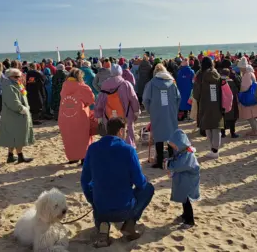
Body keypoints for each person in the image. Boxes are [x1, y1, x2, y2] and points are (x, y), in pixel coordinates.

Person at [81, 118, 155, 247]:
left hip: (101, 208)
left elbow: (84, 180)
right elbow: (140, 182)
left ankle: (103, 227)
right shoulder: (128, 150)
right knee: (148, 188)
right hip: (123, 208)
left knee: (100, 200)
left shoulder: (92, 149)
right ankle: (130, 223)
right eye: (125, 131)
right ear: (121, 131)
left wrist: (92, 200)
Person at [143, 63, 180, 168]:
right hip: (170, 112)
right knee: (170, 134)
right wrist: (174, 110)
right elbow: (178, 97)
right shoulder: (172, 82)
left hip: (157, 112)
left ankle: (159, 161)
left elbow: (145, 100)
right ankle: (171, 160)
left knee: (158, 136)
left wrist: (150, 110)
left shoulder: (151, 83)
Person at [96, 64, 140, 148]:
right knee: (127, 135)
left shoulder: (104, 85)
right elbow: (134, 99)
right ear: (120, 72)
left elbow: (100, 102)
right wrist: (136, 111)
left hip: (108, 117)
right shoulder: (126, 84)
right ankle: (128, 151)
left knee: (111, 135)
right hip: (125, 116)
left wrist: (99, 116)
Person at [164, 129, 200, 229]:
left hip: (188, 181)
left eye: (174, 145)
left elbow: (179, 165)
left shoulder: (188, 154)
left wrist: (169, 164)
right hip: (184, 179)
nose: (174, 148)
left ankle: (190, 221)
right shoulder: (182, 152)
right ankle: (185, 215)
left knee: (186, 200)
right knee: (183, 199)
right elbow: (177, 160)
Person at [0, 68, 35, 163]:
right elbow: (13, 102)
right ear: (10, 77)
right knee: (18, 136)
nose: (19, 78)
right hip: (14, 115)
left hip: (14, 115)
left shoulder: (14, 84)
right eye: (16, 77)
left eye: (20, 76)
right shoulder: (9, 86)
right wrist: (23, 109)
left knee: (13, 136)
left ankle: (10, 155)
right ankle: (20, 156)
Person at [58, 68, 95, 164]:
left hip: (65, 116)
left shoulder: (64, 86)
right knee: (83, 137)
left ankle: (73, 157)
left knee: (69, 137)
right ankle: (84, 158)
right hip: (80, 116)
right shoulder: (82, 87)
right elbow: (91, 99)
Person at [193, 57, 224, 159]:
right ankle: (215, 149)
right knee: (216, 127)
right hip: (217, 103)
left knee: (208, 126)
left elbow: (196, 93)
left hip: (205, 103)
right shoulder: (217, 74)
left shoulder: (200, 75)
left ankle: (213, 149)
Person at [238, 57, 257, 136]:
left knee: (250, 116)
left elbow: (244, 87)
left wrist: (239, 94)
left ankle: (254, 131)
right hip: (253, 96)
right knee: (253, 115)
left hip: (248, 97)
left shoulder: (246, 75)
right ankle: (255, 130)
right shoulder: (251, 73)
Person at [220, 68, 241, 138]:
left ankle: (222, 133)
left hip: (221, 103)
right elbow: (235, 91)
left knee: (222, 118)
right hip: (231, 102)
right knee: (232, 118)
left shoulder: (218, 81)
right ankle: (232, 133)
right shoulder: (231, 82)